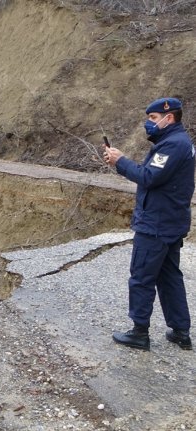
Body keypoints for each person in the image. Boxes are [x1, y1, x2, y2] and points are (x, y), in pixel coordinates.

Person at [104, 97, 194, 351]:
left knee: (142, 276)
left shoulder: (173, 145)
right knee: (169, 277)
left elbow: (148, 177)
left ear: (169, 117)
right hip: (169, 222)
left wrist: (120, 161)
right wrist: (121, 162)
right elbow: (153, 174)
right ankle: (180, 331)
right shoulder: (175, 142)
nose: (149, 123)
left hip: (157, 224)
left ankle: (139, 332)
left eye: (153, 118)